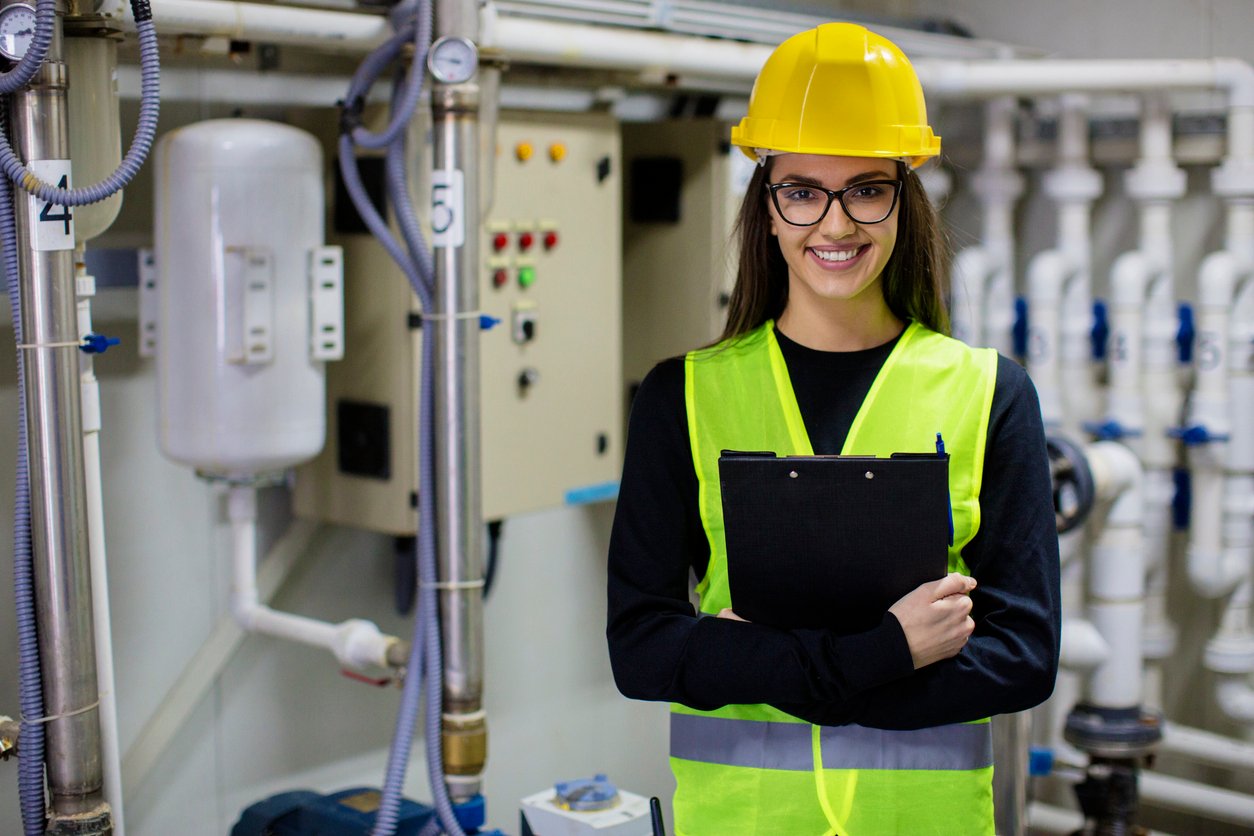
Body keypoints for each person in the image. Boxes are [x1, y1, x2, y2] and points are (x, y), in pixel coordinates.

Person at [606, 21, 1061, 836]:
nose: (836, 224)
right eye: (803, 191)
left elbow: (1023, 659)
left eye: (866, 189)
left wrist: (751, 661)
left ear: (903, 198)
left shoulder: (990, 393)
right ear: (768, 205)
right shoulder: (683, 396)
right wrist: (884, 653)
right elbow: (641, 650)